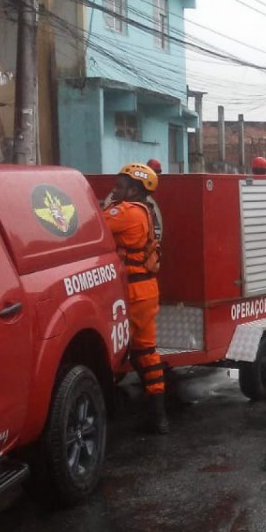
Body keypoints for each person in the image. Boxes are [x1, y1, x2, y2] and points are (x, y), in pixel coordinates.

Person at [103, 162, 168, 434]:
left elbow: (92, 223)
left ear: (133, 189)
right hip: (144, 290)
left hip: (133, 291)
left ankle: (148, 413)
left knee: (120, 350)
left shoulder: (126, 212)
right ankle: (157, 415)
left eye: (120, 186)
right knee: (145, 352)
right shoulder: (145, 211)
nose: (114, 190)